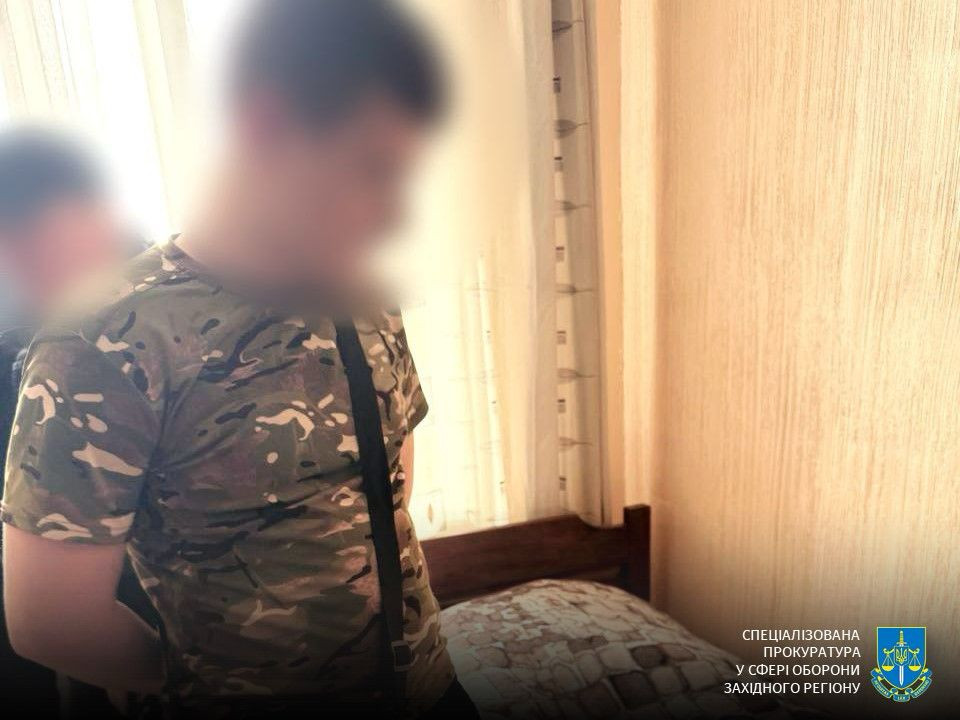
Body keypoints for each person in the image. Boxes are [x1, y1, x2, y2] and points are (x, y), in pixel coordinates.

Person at [1, 2, 478, 718]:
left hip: (431, 692)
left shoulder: (365, 294)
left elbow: (390, 487)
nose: (392, 214)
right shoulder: (100, 339)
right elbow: (51, 620)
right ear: (267, 126)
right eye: (373, 168)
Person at [0, 130, 158, 717]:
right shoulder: (23, 327)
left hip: (166, 612)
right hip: (50, 594)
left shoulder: (168, 309)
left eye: (26, 239)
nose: (15, 262)